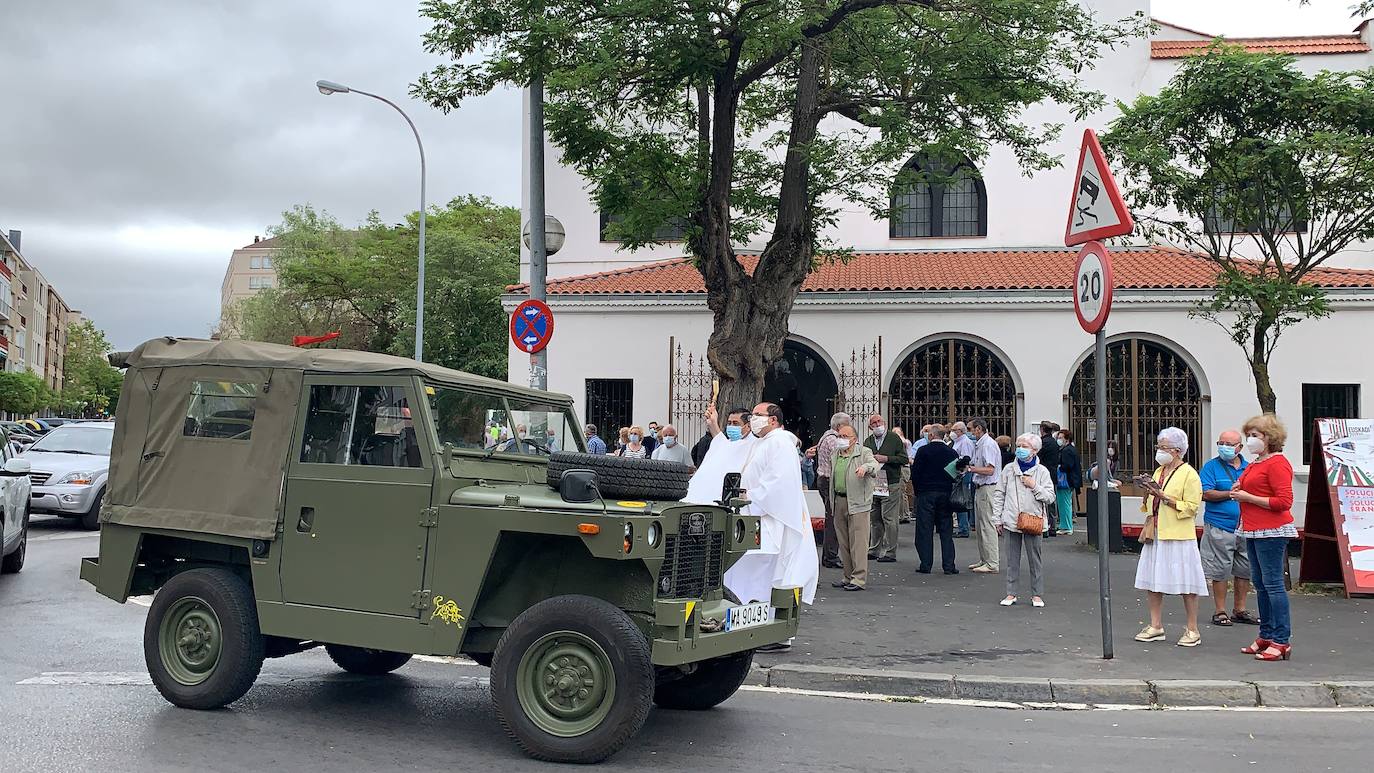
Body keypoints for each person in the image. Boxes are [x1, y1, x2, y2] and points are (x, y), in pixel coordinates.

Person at [722, 403, 820, 650]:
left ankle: (768, 631)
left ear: (773, 420)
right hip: (756, 518)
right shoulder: (763, 442)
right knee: (749, 573)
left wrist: (750, 497)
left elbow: (778, 484)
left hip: (769, 521)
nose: (752, 419)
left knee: (762, 575)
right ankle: (750, 628)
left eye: (757, 415)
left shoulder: (779, 443)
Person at [1133, 427, 1207, 648]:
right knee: (1153, 581)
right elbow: (1150, 502)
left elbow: (1192, 508)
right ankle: (1156, 625)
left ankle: (1192, 629)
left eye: (1163, 447)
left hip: (1179, 536)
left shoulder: (1189, 474)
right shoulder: (1158, 472)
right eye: (1158, 447)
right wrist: (1148, 490)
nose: (1159, 451)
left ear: (1177, 450)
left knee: (1187, 583)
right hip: (1156, 532)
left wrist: (1164, 497)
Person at [1232, 414, 1296, 662]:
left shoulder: (1278, 463)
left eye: (1255, 436)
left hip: (1271, 530)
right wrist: (1238, 490)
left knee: (1273, 585)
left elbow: (1283, 502)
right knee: (1260, 583)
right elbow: (1248, 487)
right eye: (1249, 435)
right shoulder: (1257, 462)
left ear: (1269, 438)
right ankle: (1267, 634)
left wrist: (1248, 497)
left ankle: (1281, 639)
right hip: (1253, 528)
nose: (1250, 440)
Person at [1198, 430, 1258, 628]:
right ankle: (1220, 610)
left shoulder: (1250, 468)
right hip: (1219, 525)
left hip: (1245, 526)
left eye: (1229, 443)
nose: (1224, 446)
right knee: (1220, 570)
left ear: (1239, 447)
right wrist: (1230, 494)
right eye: (1221, 442)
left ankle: (1239, 610)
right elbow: (1205, 493)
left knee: (1244, 569)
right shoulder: (1210, 467)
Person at [993, 433, 1056, 607]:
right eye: (1019, 445)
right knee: (1012, 559)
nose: (1020, 449)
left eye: (1025, 446)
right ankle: (1011, 593)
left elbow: (1050, 497)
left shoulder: (1042, 472)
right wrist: (997, 519)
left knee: (1035, 559)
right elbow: (999, 494)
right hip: (1011, 519)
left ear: (1035, 450)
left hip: (1033, 521)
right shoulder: (1008, 470)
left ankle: (1037, 594)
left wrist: (1034, 486)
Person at [829, 423, 881, 590]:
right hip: (839, 501)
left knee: (858, 542)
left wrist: (865, 468)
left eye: (845, 437)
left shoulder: (863, 452)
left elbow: (874, 466)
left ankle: (858, 578)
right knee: (843, 542)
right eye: (839, 436)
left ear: (854, 439)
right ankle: (847, 576)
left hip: (858, 502)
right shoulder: (835, 453)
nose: (841, 440)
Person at [912, 425, 959, 574]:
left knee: (924, 530)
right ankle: (949, 565)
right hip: (945, 493)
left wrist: (918, 491)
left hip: (926, 492)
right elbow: (955, 473)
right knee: (946, 530)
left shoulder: (923, 451)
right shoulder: (951, 452)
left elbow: (916, 473)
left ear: (931, 435)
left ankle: (926, 564)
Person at [864, 414, 908, 563]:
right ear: (870, 427)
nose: (877, 425)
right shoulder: (868, 441)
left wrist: (887, 459)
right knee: (875, 518)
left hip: (891, 481)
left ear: (884, 422)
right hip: (874, 482)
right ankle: (874, 549)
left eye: (879, 422)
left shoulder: (894, 439)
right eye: (874, 423)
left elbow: (903, 459)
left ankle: (890, 551)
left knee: (889, 518)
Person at [811, 412, 852, 569]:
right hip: (829, 481)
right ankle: (830, 555)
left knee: (832, 517)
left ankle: (830, 554)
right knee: (834, 519)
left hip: (823, 479)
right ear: (840, 426)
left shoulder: (825, 437)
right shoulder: (834, 440)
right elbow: (842, 458)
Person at [967, 418, 1003, 574]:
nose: (970, 432)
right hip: (981, 487)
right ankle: (985, 559)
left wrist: (971, 469)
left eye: (970, 429)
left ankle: (992, 562)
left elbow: (990, 470)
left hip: (988, 487)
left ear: (978, 429)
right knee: (981, 525)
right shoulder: (981, 444)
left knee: (987, 525)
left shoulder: (987, 444)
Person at [949, 422, 975, 538]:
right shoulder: (958, 442)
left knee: (961, 500)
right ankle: (962, 526)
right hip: (957, 473)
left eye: (954, 430)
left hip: (963, 474)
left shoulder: (965, 442)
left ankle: (964, 528)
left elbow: (966, 459)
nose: (952, 432)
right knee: (958, 499)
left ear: (960, 431)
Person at [1055, 428, 1082, 536]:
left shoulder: (1067, 451)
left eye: (1061, 438)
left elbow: (1066, 466)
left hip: (1066, 481)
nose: (1059, 440)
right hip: (1070, 480)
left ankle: (1066, 526)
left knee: (1064, 504)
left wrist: (1059, 467)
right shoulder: (1072, 449)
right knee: (1065, 503)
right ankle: (1064, 525)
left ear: (1067, 439)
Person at [1037, 422, 1062, 537]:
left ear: (1042, 429)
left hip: (1043, 474)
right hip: (1053, 473)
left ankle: (1045, 528)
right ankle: (1053, 526)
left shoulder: (1042, 443)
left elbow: (1038, 457)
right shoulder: (1055, 443)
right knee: (1052, 500)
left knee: (1042, 501)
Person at [892, 427, 914, 524]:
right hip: (898, 468)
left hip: (903, 468)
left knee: (902, 492)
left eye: (897, 433)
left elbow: (908, 456)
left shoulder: (905, 442)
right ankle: (900, 513)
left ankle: (904, 514)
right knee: (898, 492)